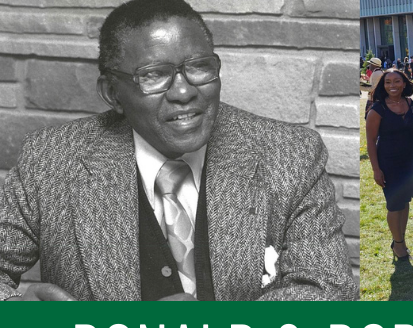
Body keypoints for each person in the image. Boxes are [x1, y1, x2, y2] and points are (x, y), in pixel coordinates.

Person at [0, 0, 357, 301]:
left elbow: (327, 289)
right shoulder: (50, 159)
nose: (184, 92)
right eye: (154, 75)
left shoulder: (290, 154)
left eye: (199, 67)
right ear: (112, 93)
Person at [366, 69, 413, 262]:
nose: (392, 86)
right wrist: (376, 169)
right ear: (383, 85)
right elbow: (371, 141)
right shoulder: (377, 110)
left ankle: (399, 240)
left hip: (409, 161)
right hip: (388, 163)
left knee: (404, 202)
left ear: (404, 84)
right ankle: (399, 245)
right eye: (388, 82)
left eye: (397, 81)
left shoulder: (410, 103)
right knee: (394, 205)